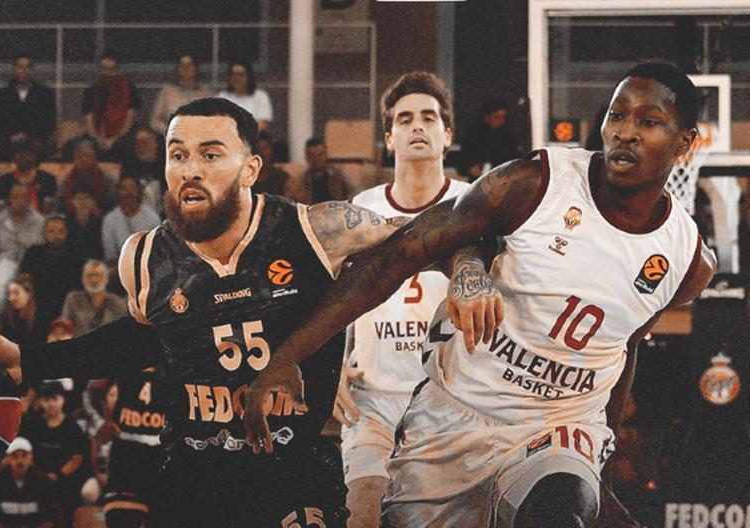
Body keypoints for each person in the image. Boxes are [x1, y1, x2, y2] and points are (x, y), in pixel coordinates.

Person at [244, 63, 718, 528]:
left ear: (685, 143)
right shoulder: (536, 183)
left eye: (648, 122)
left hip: (560, 425)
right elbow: (398, 256)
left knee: (559, 512)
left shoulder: (688, 261)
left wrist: (603, 472)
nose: (625, 133)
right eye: (617, 116)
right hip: (457, 416)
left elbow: (625, 346)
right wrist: (288, 356)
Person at [0, 97, 478, 526]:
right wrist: (30, 361)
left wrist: (468, 273)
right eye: (178, 155)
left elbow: (441, 235)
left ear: (251, 168)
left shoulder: (318, 230)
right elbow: (142, 339)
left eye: (210, 155)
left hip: (291, 471)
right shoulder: (142, 257)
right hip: (192, 477)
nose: (190, 170)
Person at [333, 71, 470, 527]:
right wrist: (331, 367)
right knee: (364, 514)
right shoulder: (362, 208)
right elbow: (334, 300)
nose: (417, 127)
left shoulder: (474, 205)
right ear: (389, 138)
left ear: (447, 134)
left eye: (428, 118)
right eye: (405, 119)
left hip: (451, 403)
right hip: (373, 401)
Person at [102, 368, 166, 527]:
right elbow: (96, 388)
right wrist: (108, 420)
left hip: (149, 452)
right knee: (123, 516)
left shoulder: (128, 369)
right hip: (130, 450)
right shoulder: (126, 369)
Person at [21, 381, 88, 527]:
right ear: (40, 401)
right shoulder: (36, 425)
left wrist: (57, 475)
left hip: (66, 480)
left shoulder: (72, 428)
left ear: (63, 399)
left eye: (54, 399)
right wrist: (40, 476)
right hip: (39, 479)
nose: (51, 404)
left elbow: (77, 459)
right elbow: (29, 453)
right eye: (46, 400)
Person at [0, 53, 57, 161]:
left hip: (36, 143)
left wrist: (30, 136)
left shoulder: (44, 94)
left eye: (28, 67)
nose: (24, 71)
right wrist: (11, 138)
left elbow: (50, 122)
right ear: (14, 70)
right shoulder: (3, 94)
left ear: (32, 71)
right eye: (20, 67)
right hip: (10, 143)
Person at [0, 436, 60, 528]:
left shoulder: (43, 481)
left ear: (31, 457)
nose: (20, 461)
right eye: (15, 456)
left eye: (24, 455)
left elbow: (52, 513)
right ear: (8, 458)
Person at [19, 215, 84, 319]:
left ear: (67, 233)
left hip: (69, 306)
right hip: (40, 304)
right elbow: (24, 280)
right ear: (44, 234)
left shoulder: (76, 255)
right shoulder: (34, 253)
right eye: (51, 231)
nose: (56, 236)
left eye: (60, 232)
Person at [81, 51, 142, 162]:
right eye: (104, 69)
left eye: (111, 69)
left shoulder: (130, 89)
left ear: (117, 70)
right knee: (77, 146)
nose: (107, 73)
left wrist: (113, 140)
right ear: (99, 70)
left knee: (123, 147)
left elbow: (129, 121)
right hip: (96, 135)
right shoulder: (90, 91)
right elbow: (89, 121)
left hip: (123, 135)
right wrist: (98, 139)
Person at [101, 175, 160, 267]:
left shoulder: (152, 218)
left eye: (131, 187)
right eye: (124, 188)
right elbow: (110, 254)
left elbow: (157, 250)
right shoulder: (109, 220)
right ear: (118, 192)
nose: (128, 192)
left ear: (138, 190)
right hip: (118, 268)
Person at [459, 97, 522, 181]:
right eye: (497, 117)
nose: (501, 121)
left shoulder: (508, 135)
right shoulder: (474, 135)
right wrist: (470, 170)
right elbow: (462, 164)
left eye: (503, 117)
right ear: (487, 117)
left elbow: (515, 160)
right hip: (479, 181)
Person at [60, 259, 128, 337]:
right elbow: (63, 326)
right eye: (90, 275)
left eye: (98, 275)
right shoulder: (73, 300)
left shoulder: (117, 303)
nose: (94, 280)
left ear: (107, 278)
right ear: (82, 278)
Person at [149, 53, 211, 134]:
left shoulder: (204, 93)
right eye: (182, 65)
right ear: (178, 69)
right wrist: (169, 131)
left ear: (196, 69)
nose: (186, 68)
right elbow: (155, 120)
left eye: (189, 65)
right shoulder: (167, 92)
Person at [0, 139, 58, 214]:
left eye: (28, 153)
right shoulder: (4, 181)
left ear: (35, 156)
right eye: (19, 153)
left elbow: (50, 210)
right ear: (14, 157)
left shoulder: (48, 179)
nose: (23, 157)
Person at [0, 183, 45, 264]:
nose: (19, 200)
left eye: (23, 197)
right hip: (3, 265)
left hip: (31, 265)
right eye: (15, 197)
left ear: (29, 200)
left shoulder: (40, 222)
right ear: (9, 200)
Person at [120, 126, 166, 215]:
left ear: (155, 143)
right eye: (138, 143)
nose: (141, 147)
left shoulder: (166, 164)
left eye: (145, 142)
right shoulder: (129, 165)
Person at [61, 140, 116, 214]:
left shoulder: (107, 180)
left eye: (87, 156)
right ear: (74, 159)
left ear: (94, 158)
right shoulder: (65, 181)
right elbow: (59, 207)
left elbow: (113, 206)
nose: (83, 160)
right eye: (79, 156)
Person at [217, 61, 273, 131]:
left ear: (249, 77)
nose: (236, 78)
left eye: (240, 75)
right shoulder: (222, 96)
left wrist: (244, 135)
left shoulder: (260, 96)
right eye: (233, 74)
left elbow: (263, 123)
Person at [1, 277, 51, 346]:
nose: (11, 298)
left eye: (16, 293)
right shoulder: (7, 318)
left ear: (29, 294)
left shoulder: (41, 317)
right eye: (9, 294)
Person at [300, 137, 350, 203]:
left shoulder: (338, 175)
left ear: (326, 154)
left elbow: (353, 191)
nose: (316, 159)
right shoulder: (302, 180)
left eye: (320, 155)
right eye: (312, 156)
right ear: (306, 157)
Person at [66, 185, 105, 263]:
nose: (82, 202)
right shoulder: (66, 222)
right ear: (73, 201)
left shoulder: (101, 223)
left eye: (86, 198)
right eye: (79, 198)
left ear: (92, 201)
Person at [251, 130, 290, 197]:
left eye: (264, 148)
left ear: (271, 150)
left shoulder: (281, 177)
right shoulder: (249, 176)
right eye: (258, 149)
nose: (261, 153)